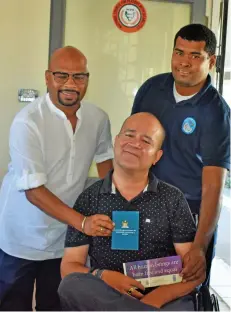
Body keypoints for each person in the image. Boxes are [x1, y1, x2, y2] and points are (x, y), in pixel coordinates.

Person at [0, 46, 114, 310]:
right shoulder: (27, 122)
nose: (71, 84)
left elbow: (105, 162)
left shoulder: (98, 118)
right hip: (22, 235)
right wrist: (83, 223)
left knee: (57, 303)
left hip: (66, 236)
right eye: (61, 76)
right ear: (48, 77)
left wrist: (114, 206)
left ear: (87, 79)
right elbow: (34, 191)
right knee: (13, 305)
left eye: (79, 76)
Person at [58, 113, 205, 311]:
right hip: (107, 292)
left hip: (163, 298)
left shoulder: (172, 198)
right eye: (129, 135)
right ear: (116, 142)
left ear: (157, 156)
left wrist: (155, 300)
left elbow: (194, 272)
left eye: (146, 140)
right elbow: (69, 266)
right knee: (71, 285)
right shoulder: (90, 198)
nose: (135, 144)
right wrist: (104, 276)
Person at [131, 24, 230, 284]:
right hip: (144, 209)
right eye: (179, 52)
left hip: (188, 220)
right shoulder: (152, 89)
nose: (184, 62)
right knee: (138, 285)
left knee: (182, 290)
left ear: (211, 61)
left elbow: (213, 187)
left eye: (195, 55)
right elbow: (132, 148)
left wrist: (199, 246)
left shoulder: (216, 113)